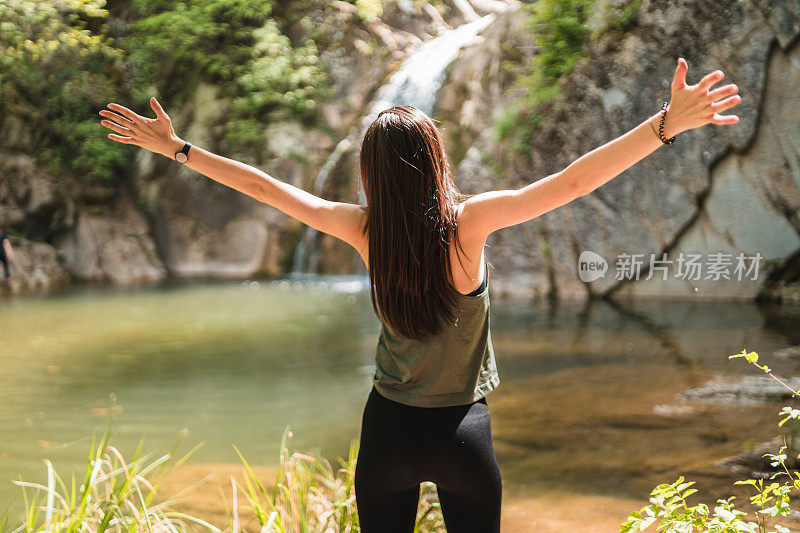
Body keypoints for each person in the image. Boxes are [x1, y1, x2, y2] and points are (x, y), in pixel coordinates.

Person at [99, 56, 741, 531]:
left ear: (369, 174)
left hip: (388, 433)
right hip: (464, 431)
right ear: (435, 158)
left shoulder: (360, 229)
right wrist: (664, 125)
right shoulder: (472, 225)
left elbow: (269, 191)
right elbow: (571, 183)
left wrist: (179, 149)